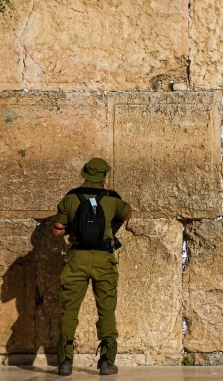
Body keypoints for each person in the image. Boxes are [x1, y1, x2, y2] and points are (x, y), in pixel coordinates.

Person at [52, 158, 132, 376]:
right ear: (104, 176)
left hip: (77, 259)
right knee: (106, 309)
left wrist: (72, 228)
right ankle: (107, 361)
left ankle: (65, 361)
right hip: (103, 260)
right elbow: (128, 214)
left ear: (84, 174)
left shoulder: (70, 198)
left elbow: (57, 230)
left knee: (70, 310)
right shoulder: (112, 198)